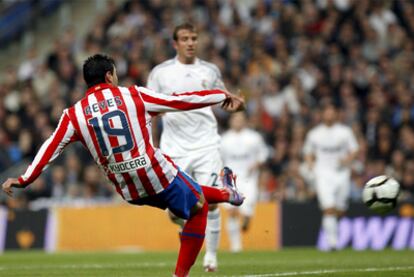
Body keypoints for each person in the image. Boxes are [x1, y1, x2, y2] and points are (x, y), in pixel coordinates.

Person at [2, 54, 245, 277]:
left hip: (129, 189)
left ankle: (226, 193)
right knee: (199, 208)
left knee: (192, 195)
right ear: (109, 75)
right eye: (115, 74)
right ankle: (180, 274)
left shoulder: (73, 114)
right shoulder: (132, 95)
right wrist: (222, 95)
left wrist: (24, 178)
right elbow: (180, 101)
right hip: (154, 172)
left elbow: (49, 148)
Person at [147, 22, 227, 271]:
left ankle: (211, 257)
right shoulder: (160, 73)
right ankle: (189, 232)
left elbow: (225, 98)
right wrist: (149, 146)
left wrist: (237, 104)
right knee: (177, 211)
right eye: (185, 38)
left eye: (194, 38)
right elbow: (148, 110)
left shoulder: (210, 70)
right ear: (175, 43)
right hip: (174, 149)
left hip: (206, 145)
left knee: (211, 202)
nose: (190, 42)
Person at [303, 103, 358, 251]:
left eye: (331, 111)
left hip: (342, 174)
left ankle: (333, 231)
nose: (329, 114)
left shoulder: (345, 132)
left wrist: (347, 160)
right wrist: (311, 165)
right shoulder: (314, 134)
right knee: (328, 208)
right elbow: (308, 152)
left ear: (336, 114)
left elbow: (354, 150)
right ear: (322, 114)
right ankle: (333, 242)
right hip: (323, 174)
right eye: (326, 111)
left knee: (339, 211)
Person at [220, 112, 268, 252]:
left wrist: (257, 164)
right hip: (230, 180)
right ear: (231, 121)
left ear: (245, 121)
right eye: (235, 119)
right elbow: (219, 159)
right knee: (232, 211)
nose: (238, 122)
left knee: (246, 210)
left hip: (249, 179)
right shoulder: (224, 139)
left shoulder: (254, 138)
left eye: (241, 119)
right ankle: (236, 247)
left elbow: (264, 153)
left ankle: (247, 217)